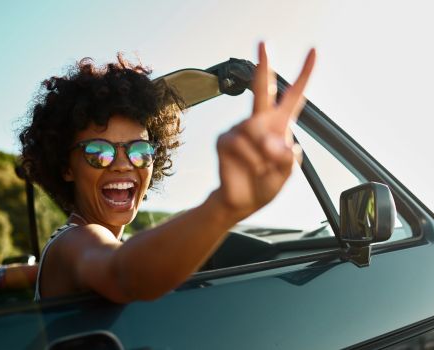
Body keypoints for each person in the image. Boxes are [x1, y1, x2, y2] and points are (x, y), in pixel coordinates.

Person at [19, 42, 316, 303]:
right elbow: (122, 275)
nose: (123, 164)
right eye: (100, 152)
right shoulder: (74, 243)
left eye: (139, 151)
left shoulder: (97, 242)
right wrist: (224, 205)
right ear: (66, 168)